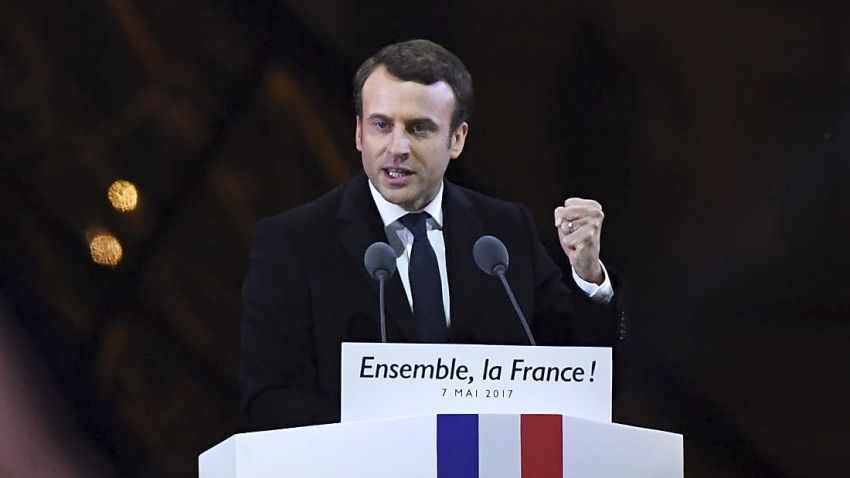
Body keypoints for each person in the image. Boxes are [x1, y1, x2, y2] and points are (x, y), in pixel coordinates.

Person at [240, 39, 626, 431]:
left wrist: (588, 276)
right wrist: (403, 435)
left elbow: (582, 376)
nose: (397, 147)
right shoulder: (294, 244)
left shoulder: (505, 234)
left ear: (456, 139)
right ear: (359, 133)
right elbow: (270, 402)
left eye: (419, 128)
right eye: (381, 125)